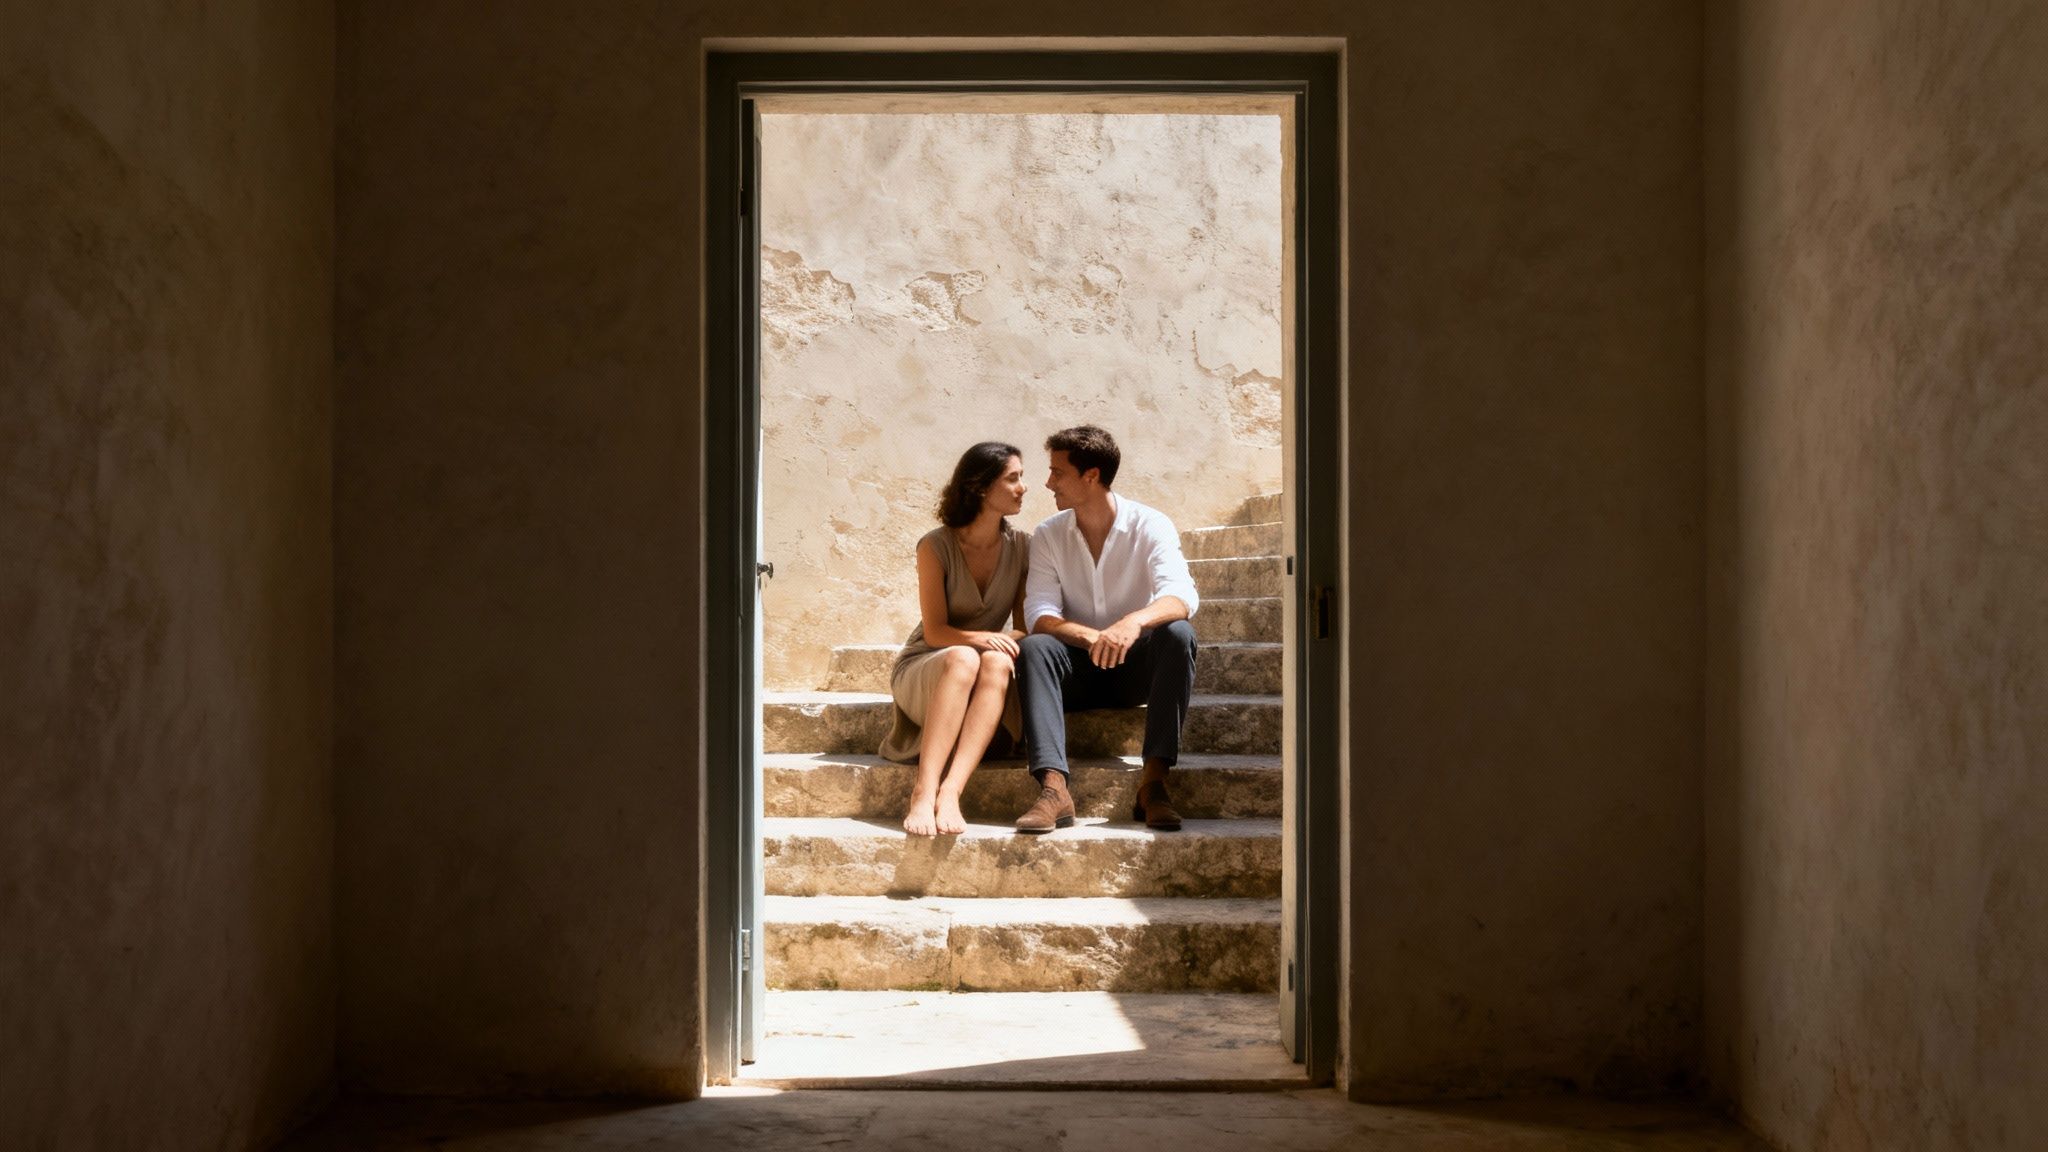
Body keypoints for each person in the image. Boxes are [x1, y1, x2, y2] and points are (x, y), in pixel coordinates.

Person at [1014, 425, 1199, 834]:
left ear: (1091, 476)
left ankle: (1153, 784)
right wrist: (1089, 637)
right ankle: (1053, 788)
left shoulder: (1150, 524)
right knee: (1036, 646)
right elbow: (1038, 610)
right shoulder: (1048, 534)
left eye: (1057, 472)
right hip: (1075, 672)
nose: (1048, 482)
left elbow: (1182, 596)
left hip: (1134, 672)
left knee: (1179, 633)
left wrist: (1130, 624)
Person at [878, 441, 1033, 837]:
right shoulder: (936, 545)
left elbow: (1022, 625)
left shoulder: (1022, 547)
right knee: (963, 656)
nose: (1023, 487)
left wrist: (999, 642)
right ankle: (922, 791)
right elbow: (935, 631)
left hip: (981, 668)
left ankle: (950, 791)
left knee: (997, 660)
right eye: (1012, 478)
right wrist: (982, 639)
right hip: (928, 664)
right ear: (981, 487)